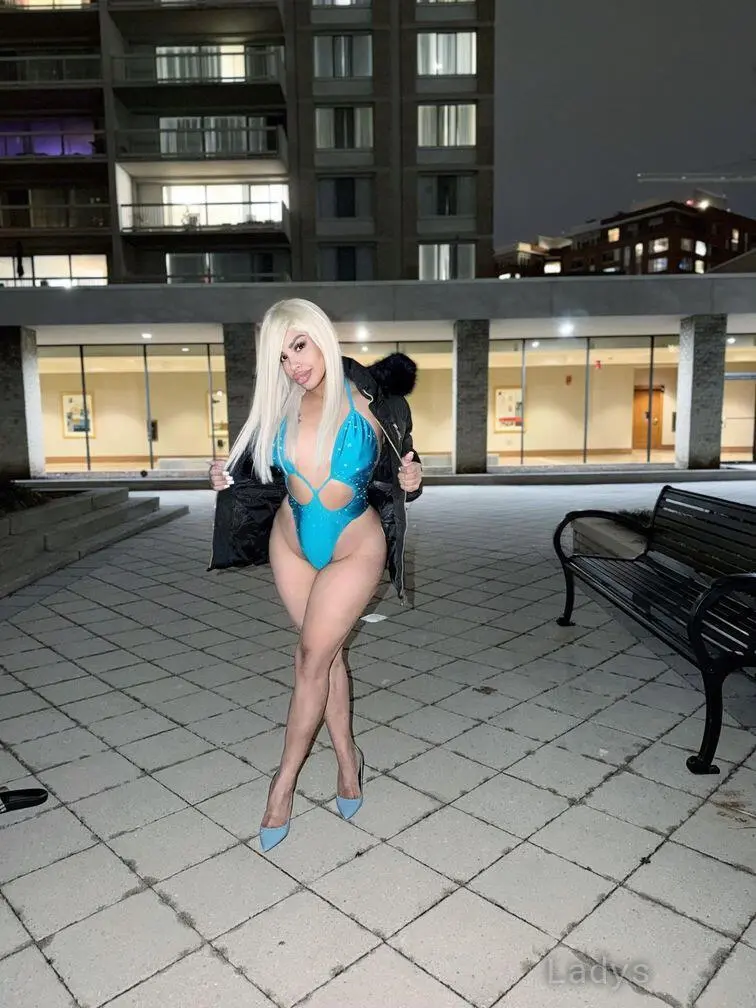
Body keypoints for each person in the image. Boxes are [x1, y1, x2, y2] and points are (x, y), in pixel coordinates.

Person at [209, 298, 423, 851]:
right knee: (325, 656)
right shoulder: (279, 405)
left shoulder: (373, 400)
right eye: (282, 357)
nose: (294, 364)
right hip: (291, 541)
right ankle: (348, 757)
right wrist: (221, 476)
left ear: (321, 336)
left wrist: (414, 476)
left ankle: (281, 787)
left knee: (309, 658)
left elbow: (405, 462)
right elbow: (249, 468)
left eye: (299, 346)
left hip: (354, 545)